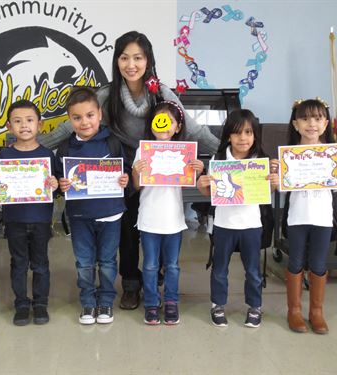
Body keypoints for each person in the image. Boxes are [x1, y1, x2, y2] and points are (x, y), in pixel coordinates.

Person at [40, 31, 219, 309]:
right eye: (124, 57)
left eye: (138, 57)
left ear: (148, 60)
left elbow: (194, 130)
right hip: (121, 171)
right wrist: (28, 145)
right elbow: (66, 128)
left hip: (156, 172)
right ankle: (131, 285)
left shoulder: (161, 92)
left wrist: (232, 152)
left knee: (159, 226)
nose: (131, 64)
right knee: (125, 231)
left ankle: (157, 278)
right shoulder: (106, 94)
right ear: (117, 60)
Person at [197, 109, 279, 328]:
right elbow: (211, 194)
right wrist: (202, 186)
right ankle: (217, 304)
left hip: (251, 225)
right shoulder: (219, 159)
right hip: (224, 225)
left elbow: (266, 193)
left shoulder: (261, 160)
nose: (243, 138)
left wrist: (273, 183)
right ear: (228, 136)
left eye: (248, 132)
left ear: (255, 136)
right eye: (237, 133)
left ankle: (255, 306)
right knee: (220, 268)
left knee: (253, 270)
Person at [54, 86, 129, 325]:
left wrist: (125, 178)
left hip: (111, 215)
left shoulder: (113, 143)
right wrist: (61, 185)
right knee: (84, 262)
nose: (84, 122)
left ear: (100, 115)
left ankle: (106, 300)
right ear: (70, 119)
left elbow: (125, 172)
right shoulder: (65, 148)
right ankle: (87, 300)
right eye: (77, 117)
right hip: (79, 217)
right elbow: (56, 180)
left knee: (107, 261)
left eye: (89, 115)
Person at [281, 98, 337, 334]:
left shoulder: (332, 155)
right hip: (297, 218)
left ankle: (316, 312)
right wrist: (274, 175)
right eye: (304, 118)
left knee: (319, 264)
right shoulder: (288, 155)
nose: (311, 123)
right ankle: (294, 311)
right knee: (294, 262)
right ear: (295, 124)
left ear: (325, 124)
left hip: (323, 217)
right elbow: (283, 186)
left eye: (317, 118)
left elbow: (335, 186)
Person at [0, 100, 58, 326]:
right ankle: (21, 303)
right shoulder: (3, 156)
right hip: (14, 220)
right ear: (9, 126)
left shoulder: (48, 155)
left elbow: (55, 189)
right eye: (17, 121)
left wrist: (54, 184)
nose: (24, 125)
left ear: (40, 124)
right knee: (18, 262)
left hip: (41, 220)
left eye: (29, 120)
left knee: (40, 264)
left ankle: (40, 304)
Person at [132, 101, 204, 325]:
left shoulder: (184, 153)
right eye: (159, 121)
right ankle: (152, 303)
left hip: (173, 220)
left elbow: (188, 183)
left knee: (172, 265)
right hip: (149, 219)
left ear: (178, 127)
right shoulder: (142, 151)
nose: (163, 126)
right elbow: (137, 186)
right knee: (151, 264)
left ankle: (171, 301)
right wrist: (137, 172)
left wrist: (197, 170)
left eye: (169, 122)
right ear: (152, 124)